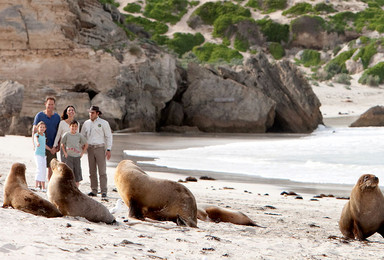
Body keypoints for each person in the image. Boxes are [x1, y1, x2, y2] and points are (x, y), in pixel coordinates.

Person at [81, 106, 113, 198]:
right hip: (90, 148)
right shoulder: (86, 123)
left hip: (100, 148)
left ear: (97, 113)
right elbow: (83, 136)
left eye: (93, 113)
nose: (91, 114)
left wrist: (109, 149)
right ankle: (94, 190)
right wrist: (83, 145)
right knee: (92, 171)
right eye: (90, 112)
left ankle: (103, 191)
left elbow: (108, 136)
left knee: (102, 171)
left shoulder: (104, 123)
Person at [32, 97, 61, 181]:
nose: (50, 106)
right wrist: (34, 144)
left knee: (51, 167)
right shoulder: (39, 115)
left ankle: (49, 184)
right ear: (45, 104)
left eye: (52, 104)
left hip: (52, 146)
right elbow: (34, 130)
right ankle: (40, 184)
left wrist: (57, 146)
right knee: (40, 166)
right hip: (41, 145)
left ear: (54, 105)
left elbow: (59, 132)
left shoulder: (57, 117)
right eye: (49, 104)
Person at [61, 120, 88, 187]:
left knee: (77, 171)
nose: (74, 128)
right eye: (72, 126)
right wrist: (65, 153)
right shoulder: (66, 134)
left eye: (75, 126)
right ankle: (69, 187)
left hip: (77, 156)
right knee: (69, 172)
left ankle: (77, 187)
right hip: (69, 156)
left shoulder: (79, 135)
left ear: (77, 127)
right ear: (70, 126)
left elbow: (86, 144)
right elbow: (62, 144)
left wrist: (82, 153)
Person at [33, 121, 54, 192]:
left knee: (43, 170)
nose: (42, 128)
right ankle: (36, 186)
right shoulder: (37, 135)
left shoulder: (44, 135)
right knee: (39, 169)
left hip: (43, 155)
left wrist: (50, 149)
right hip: (38, 154)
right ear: (37, 128)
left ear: (45, 128)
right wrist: (37, 143)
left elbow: (44, 145)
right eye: (40, 127)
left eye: (43, 127)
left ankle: (43, 187)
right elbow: (36, 140)